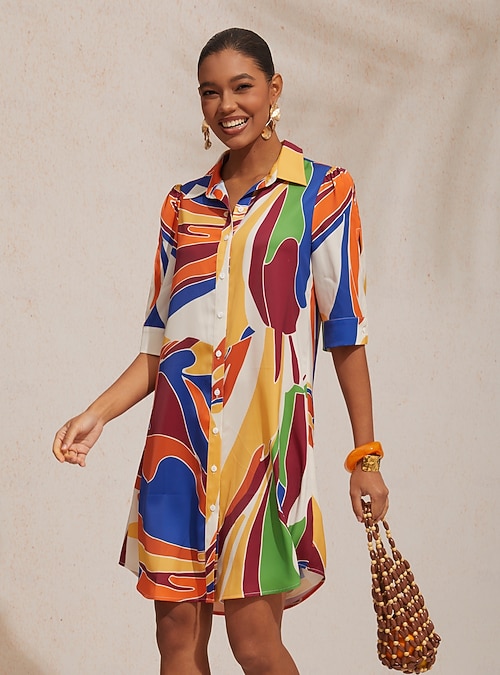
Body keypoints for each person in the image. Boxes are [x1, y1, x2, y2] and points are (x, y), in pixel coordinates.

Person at [52, 27, 389, 675]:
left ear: (274, 90)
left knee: (255, 646)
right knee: (176, 642)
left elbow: (346, 335)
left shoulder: (322, 193)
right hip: (178, 449)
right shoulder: (183, 205)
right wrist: (97, 414)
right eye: (211, 92)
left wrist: (365, 457)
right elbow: (160, 346)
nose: (227, 105)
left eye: (242, 87)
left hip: (263, 454)